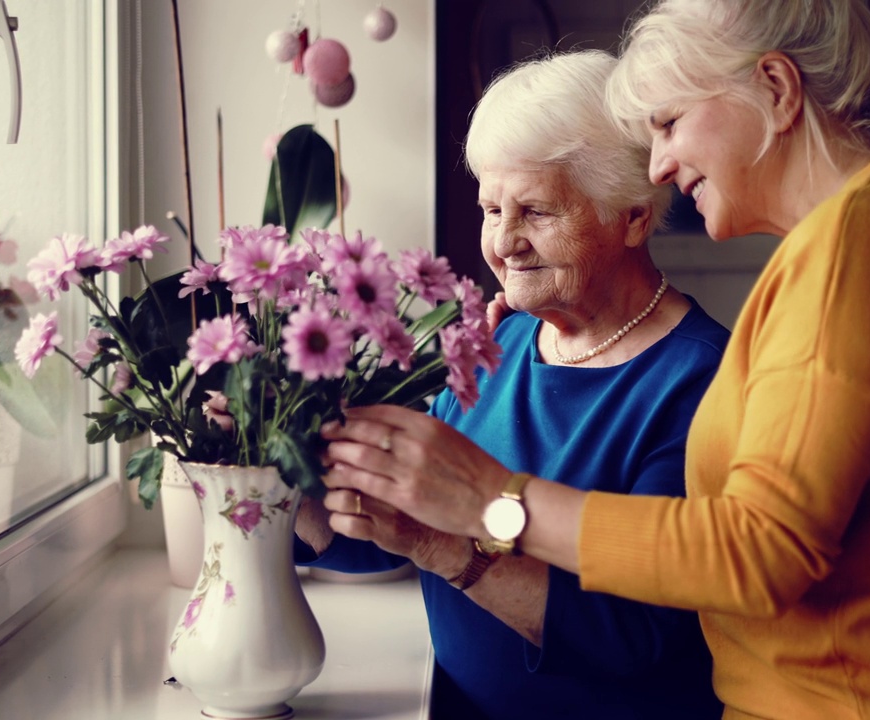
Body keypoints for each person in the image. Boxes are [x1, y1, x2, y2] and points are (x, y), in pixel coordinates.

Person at [322, 1, 870, 718]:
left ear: (776, 89)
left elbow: (761, 550)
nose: (655, 167)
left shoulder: (858, 242)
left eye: (670, 122)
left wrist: (493, 500)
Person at [297, 49, 728, 720]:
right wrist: (259, 473)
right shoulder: (497, 341)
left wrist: (442, 550)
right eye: (490, 207)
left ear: (634, 216)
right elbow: (386, 533)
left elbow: (635, 637)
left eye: (537, 212)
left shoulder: (699, 382)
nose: (502, 242)